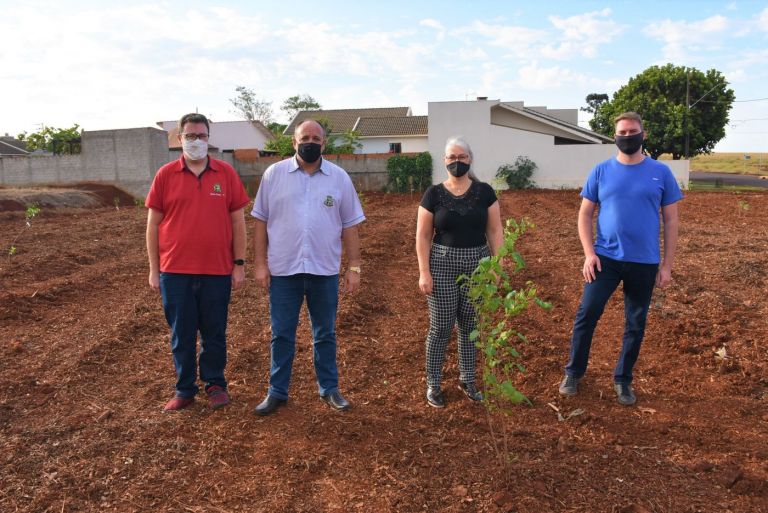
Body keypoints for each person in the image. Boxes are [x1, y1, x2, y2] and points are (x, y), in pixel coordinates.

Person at [558, 111, 683, 406]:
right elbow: (585, 214)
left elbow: (672, 221)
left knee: (635, 323)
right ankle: (574, 372)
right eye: (622, 133)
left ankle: (623, 379)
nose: (627, 137)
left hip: (644, 261)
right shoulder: (601, 171)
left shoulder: (660, 172)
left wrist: (667, 265)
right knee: (587, 314)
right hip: (605, 259)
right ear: (615, 136)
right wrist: (589, 254)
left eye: (632, 132)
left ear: (644, 134)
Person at [251, 119, 365, 416]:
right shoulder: (274, 175)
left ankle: (329, 389)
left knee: (324, 333)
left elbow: (350, 225)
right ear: (294, 142)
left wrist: (354, 266)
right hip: (284, 271)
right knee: (282, 334)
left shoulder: (339, 178)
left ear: (324, 143)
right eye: (305, 137)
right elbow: (260, 221)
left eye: (316, 138)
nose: (310, 142)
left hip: (323, 271)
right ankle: (277, 391)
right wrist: (260, 263)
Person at [146, 113, 249, 412]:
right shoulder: (165, 175)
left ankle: (215, 383)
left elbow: (238, 221)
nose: (196, 141)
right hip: (175, 272)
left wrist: (238, 263)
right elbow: (153, 225)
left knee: (215, 331)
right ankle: (185, 389)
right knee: (182, 334)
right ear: (179, 139)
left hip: (216, 270)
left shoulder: (226, 174)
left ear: (208, 139)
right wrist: (155, 270)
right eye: (190, 136)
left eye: (201, 136)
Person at [416, 136, 503, 408]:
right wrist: (424, 272)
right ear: (444, 160)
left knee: (470, 326)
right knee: (441, 326)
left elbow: (495, 230)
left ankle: (468, 379)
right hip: (442, 262)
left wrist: (497, 266)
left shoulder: (484, 192)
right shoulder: (433, 194)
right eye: (451, 157)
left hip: (478, 263)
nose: (457, 162)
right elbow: (422, 235)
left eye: (461, 157)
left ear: (470, 159)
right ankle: (433, 383)